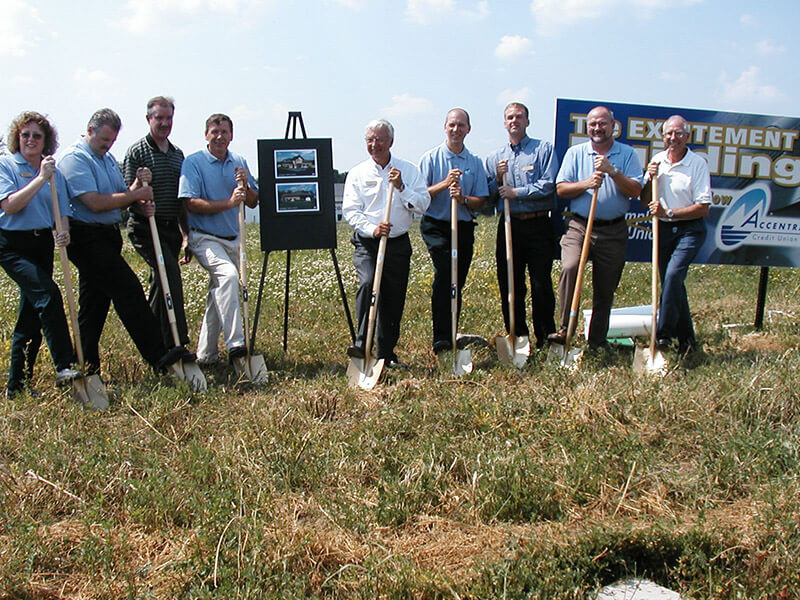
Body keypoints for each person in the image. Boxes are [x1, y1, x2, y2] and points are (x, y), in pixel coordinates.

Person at [58, 108, 186, 376]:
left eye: (112, 141)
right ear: (90, 130)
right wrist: (135, 195)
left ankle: (84, 362)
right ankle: (158, 354)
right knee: (128, 289)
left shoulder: (106, 160)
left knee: (94, 303)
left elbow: (123, 194)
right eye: (104, 139)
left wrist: (138, 192)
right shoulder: (75, 159)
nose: (107, 145)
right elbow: (94, 202)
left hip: (107, 235)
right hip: (85, 236)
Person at [0, 112, 81, 397]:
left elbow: (61, 210)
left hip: (41, 243)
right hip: (12, 245)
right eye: (26, 135)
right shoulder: (7, 165)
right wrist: (40, 178)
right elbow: (10, 206)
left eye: (37, 135)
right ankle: (63, 364)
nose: (31, 140)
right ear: (17, 138)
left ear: (46, 141)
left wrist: (64, 230)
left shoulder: (52, 172)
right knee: (48, 295)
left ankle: (17, 386)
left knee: (30, 316)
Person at [550, 106, 643, 350]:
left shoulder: (627, 154)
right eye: (592, 124)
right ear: (587, 127)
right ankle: (564, 331)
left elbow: (635, 190)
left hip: (613, 230)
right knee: (570, 267)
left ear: (613, 126)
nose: (597, 128)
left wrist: (612, 172)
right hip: (579, 225)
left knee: (606, 285)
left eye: (602, 124)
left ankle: (597, 341)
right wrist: (586, 183)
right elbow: (561, 189)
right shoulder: (576, 153)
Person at [342, 119, 430, 368]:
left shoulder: (409, 171)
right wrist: (372, 229)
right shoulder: (358, 173)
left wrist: (402, 187)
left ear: (391, 141)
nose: (374, 144)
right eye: (370, 140)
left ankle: (386, 353)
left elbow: (423, 205)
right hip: (367, 243)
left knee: (393, 297)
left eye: (379, 139)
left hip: (397, 243)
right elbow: (351, 211)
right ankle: (361, 344)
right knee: (369, 283)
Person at [178, 113, 258, 365]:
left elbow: (255, 201)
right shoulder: (193, 163)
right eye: (214, 131)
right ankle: (236, 343)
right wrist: (228, 202)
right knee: (229, 277)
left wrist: (246, 187)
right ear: (206, 135)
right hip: (204, 237)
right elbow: (190, 203)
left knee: (219, 293)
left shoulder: (239, 162)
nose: (220, 136)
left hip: (233, 238)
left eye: (224, 132)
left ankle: (206, 355)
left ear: (231, 136)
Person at [484, 102, 559, 349]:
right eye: (509, 117)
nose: (514, 121)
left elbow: (549, 185)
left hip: (538, 224)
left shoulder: (543, 150)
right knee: (510, 283)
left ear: (527, 121)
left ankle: (546, 337)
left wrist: (518, 192)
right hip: (508, 226)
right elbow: (489, 196)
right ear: (504, 123)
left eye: (519, 117)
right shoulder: (495, 157)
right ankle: (517, 336)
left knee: (540, 283)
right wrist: (497, 178)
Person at [123, 96, 191, 351]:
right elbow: (127, 195)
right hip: (145, 227)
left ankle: (153, 342)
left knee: (160, 284)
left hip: (170, 228)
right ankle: (178, 341)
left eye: (168, 118)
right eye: (159, 118)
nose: (164, 123)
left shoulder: (177, 155)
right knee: (170, 275)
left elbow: (181, 200)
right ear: (148, 119)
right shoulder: (137, 151)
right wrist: (140, 198)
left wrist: (186, 235)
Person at [419, 108, 489, 354]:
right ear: (445, 127)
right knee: (445, 274)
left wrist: (463, 199)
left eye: (461, 125)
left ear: (468, 129)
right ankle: (441, 339)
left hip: (463, 225)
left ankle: (451, 331)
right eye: (452, 125)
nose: (456, 129)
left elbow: (481, 200)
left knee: (457, 280)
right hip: (436, 225)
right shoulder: (431, 158)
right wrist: (444, 184)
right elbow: (419, 195)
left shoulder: (474, 163)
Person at [641, 115, 711, 355]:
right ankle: (688, 342)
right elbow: (643, 199)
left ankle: (663, 334)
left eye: (679, 133)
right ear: (663, 137)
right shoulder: (657, 160)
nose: (673, 138)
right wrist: (649, 179)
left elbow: (704, 207)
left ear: (687, 137)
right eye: (669, 133)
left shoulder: (697, 164)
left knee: (673, 276)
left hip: (690, 229)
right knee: (674, 286)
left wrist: (669, 212)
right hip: (663, 230)